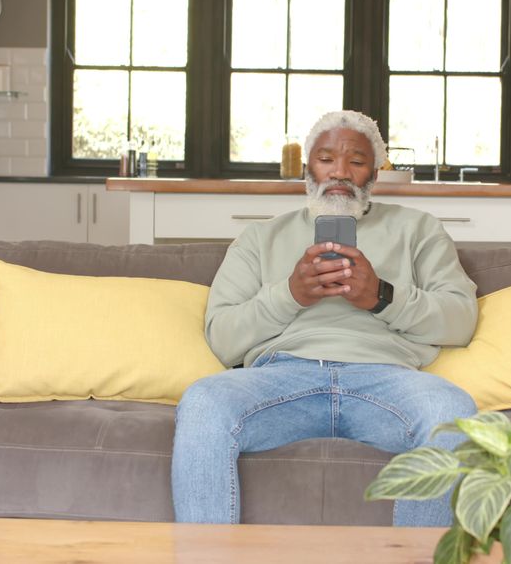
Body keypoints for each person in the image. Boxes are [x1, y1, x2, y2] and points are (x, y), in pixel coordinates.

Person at [171, 110, 478, 526]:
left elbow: (460, 320)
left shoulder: (419, 229)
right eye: (326, 158)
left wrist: (381, 296)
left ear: (374, 172)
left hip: (386, 378)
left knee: (453, 410)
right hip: (282, 379)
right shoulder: (260, 238)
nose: (340, 172)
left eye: (356, 160)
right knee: (203, 401)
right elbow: (222, 338)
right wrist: (290, 294)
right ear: (307, 168)